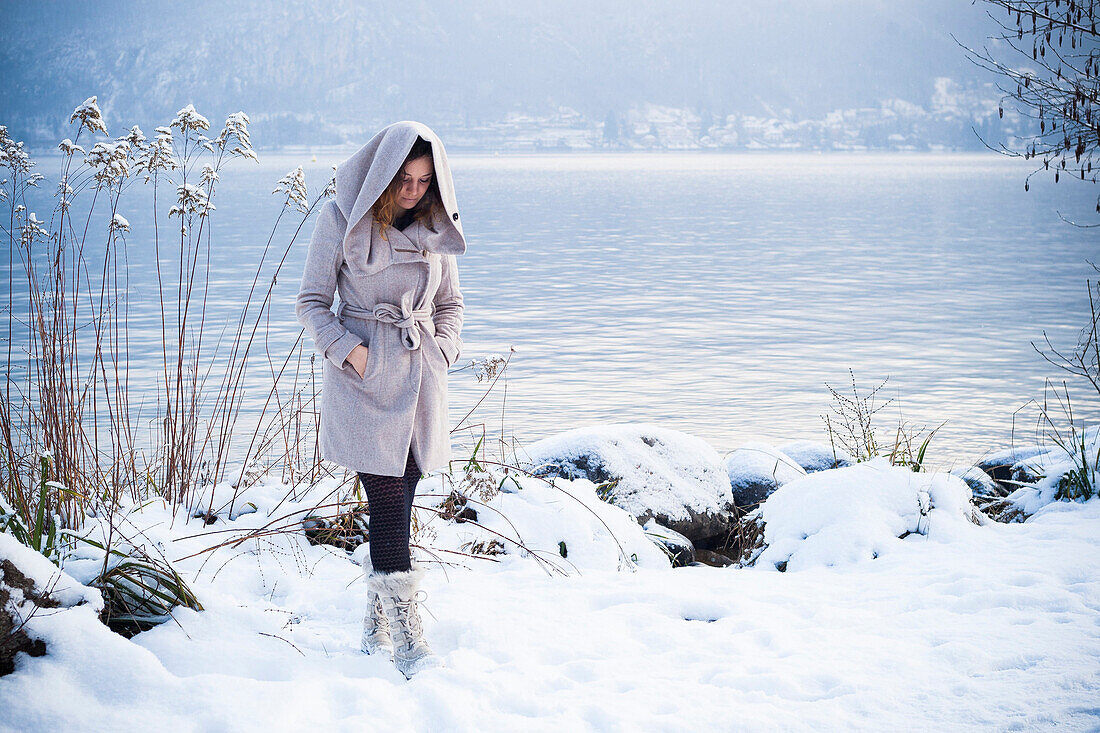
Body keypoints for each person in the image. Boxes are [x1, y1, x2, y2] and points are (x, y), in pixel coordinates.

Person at [295, 121, 466, 678]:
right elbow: (312, 302)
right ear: (382, 173)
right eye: (404, 179)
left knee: (400, 502)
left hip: (421, 378)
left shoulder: (436, 228)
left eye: (424, 180)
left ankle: (376, 625)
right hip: (365, 384)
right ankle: (412, 641)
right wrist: (353, 353)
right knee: (390, 504)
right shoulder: (340, 220)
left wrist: (444, 349)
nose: (414, 191)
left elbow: (451, 303)